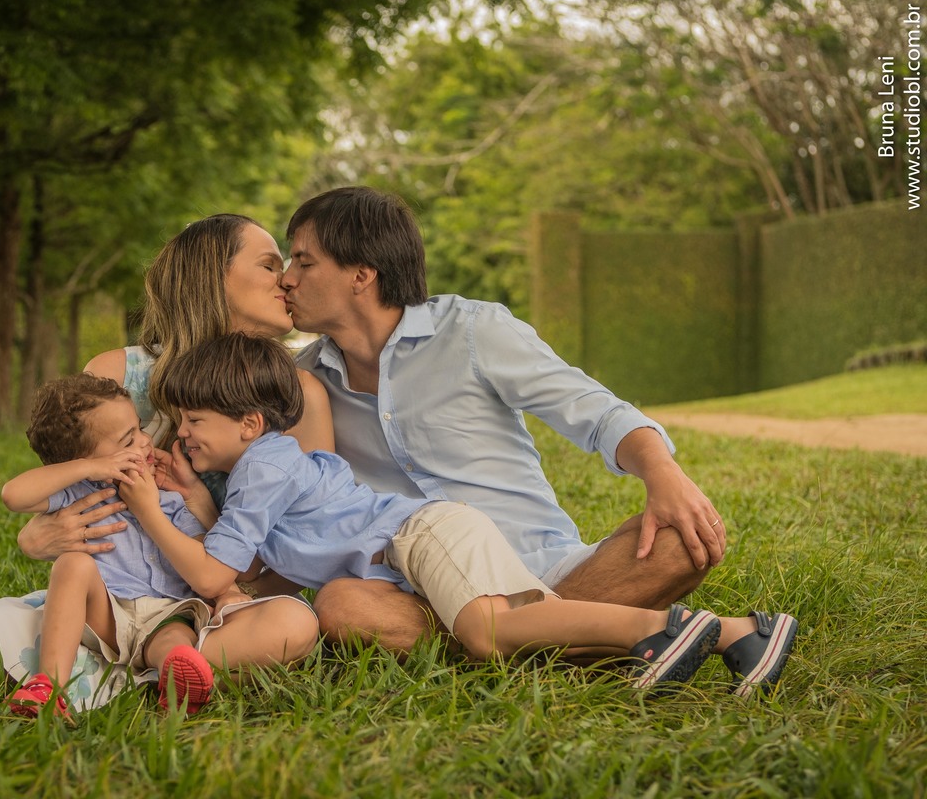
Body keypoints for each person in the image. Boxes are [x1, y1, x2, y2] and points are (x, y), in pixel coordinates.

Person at [280, 186, 788, 687]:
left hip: (552, 572)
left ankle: (515, 640)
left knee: (682, 540)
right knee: (342, 605)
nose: (287, 278)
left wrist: (663, 473)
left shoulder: (473, 331)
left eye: (304, 262)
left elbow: (598, 413)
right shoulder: (303, 385)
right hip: (421, 594)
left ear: (361, 275)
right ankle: (599, 637)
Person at [119, 333, 797, 697]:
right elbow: (251, 570)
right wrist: (197, 498)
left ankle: (666, 631)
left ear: (249, 422)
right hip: (423, 549)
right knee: (506, 627)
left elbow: (215, 575)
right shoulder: (263, 471)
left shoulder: (263, 468)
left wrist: (149, 508)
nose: (183, 435)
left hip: (427, 536)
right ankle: (737, 636)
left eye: (193, 420)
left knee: (487, 631)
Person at [0, 215, 331, 712]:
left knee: (293, 625)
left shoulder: (298, 394)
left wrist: (227, 590)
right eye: (269, 265)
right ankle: (147, 675)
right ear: (211, 275)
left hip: (216, 611)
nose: (286, 279)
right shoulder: (116, 373)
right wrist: (36, 535)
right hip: (110, 605)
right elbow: (68, 496)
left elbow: (308, 545)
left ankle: (124, 674)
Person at [0, 372, 317, 718]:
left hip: (167, 614)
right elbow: (14, 495)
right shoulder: (80, 494)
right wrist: (88, 468)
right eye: (128, 440)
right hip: (107, 613)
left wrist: (227, 594)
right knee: (72, 564)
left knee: (174, 642)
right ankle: (49, 686)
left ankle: (177, 680)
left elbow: (204, 553)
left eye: (139, 429)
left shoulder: (167, 497)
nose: (145, 441)